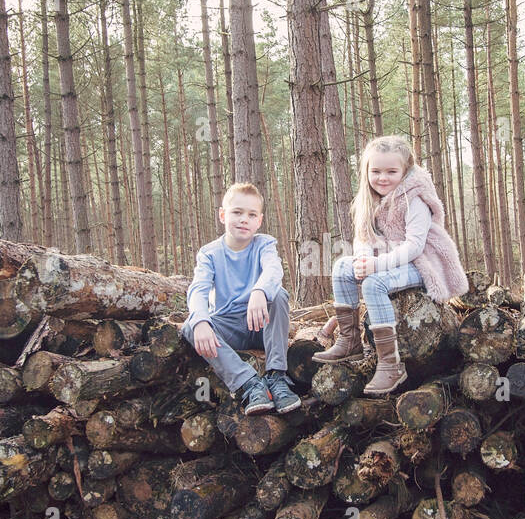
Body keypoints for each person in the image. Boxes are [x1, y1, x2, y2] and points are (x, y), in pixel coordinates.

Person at [314, 135, 469, 395]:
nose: (382, 178)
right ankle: (349, 341)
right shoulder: (370, 198)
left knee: (374, 284)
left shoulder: (414, 198)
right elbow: (364, 237)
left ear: (405, 170)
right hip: (387, 260)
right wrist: (364, 259)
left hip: (422, 263)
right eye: (376, 171)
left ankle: (390, 363)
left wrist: (376, 266)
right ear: (366, 171)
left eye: (391, 171)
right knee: (342, 266)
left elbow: (414, 247)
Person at [181, 182, 301, 415]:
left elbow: (274, 271)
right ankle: (249, 383)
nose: (244, 219)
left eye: (251, 214)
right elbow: (198, 289)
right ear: (223, 215)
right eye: (237, 212)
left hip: (260, 325)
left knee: (278, 295)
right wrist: (201, 321)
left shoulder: (264, 244)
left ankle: (276, 376)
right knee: (190, 326)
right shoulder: (209, 253)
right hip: (229, 328)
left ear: (259, 220)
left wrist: (259, 291)